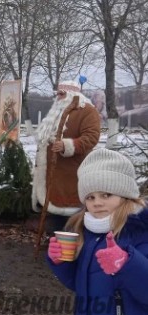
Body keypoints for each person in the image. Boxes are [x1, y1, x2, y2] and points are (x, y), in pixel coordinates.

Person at [47, 148, 148, 315]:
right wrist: (61, 262)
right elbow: (83, 284)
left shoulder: (140, 232)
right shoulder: (88, 233)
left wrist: (127, 265)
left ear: (124, 194)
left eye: (106, 194)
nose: (97, 203)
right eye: (90, 197)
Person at [32, 80, 101, 233]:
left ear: (72, 94)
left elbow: (91, 137)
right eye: (58, 93)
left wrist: (67, 145)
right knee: (55, 221)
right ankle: (55, 250)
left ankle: (73, 251)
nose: (58, 97)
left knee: (72, 221)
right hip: (53, 176)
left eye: (62, 94)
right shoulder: (56, 111)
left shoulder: (87, 111)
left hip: (72, 175)